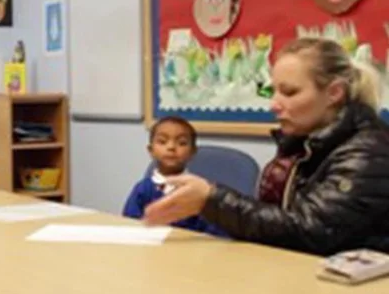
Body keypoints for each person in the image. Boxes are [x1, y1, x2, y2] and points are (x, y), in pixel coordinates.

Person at [144, 38, 389, 256]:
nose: (274, 104)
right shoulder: (302, 144)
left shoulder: (368, 151)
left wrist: (212, 200)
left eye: (289, 92)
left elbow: (312, 232)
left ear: (334, 93)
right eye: (272, 91)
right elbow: (278, 223)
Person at [123, 116, 226, 237]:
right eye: (162, 141)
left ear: (192, 152)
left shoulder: (197, 191)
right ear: (151, 150)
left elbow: (214, 232)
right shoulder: (143, 189)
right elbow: (129, 224)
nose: (171, 147)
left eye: (181, 143)